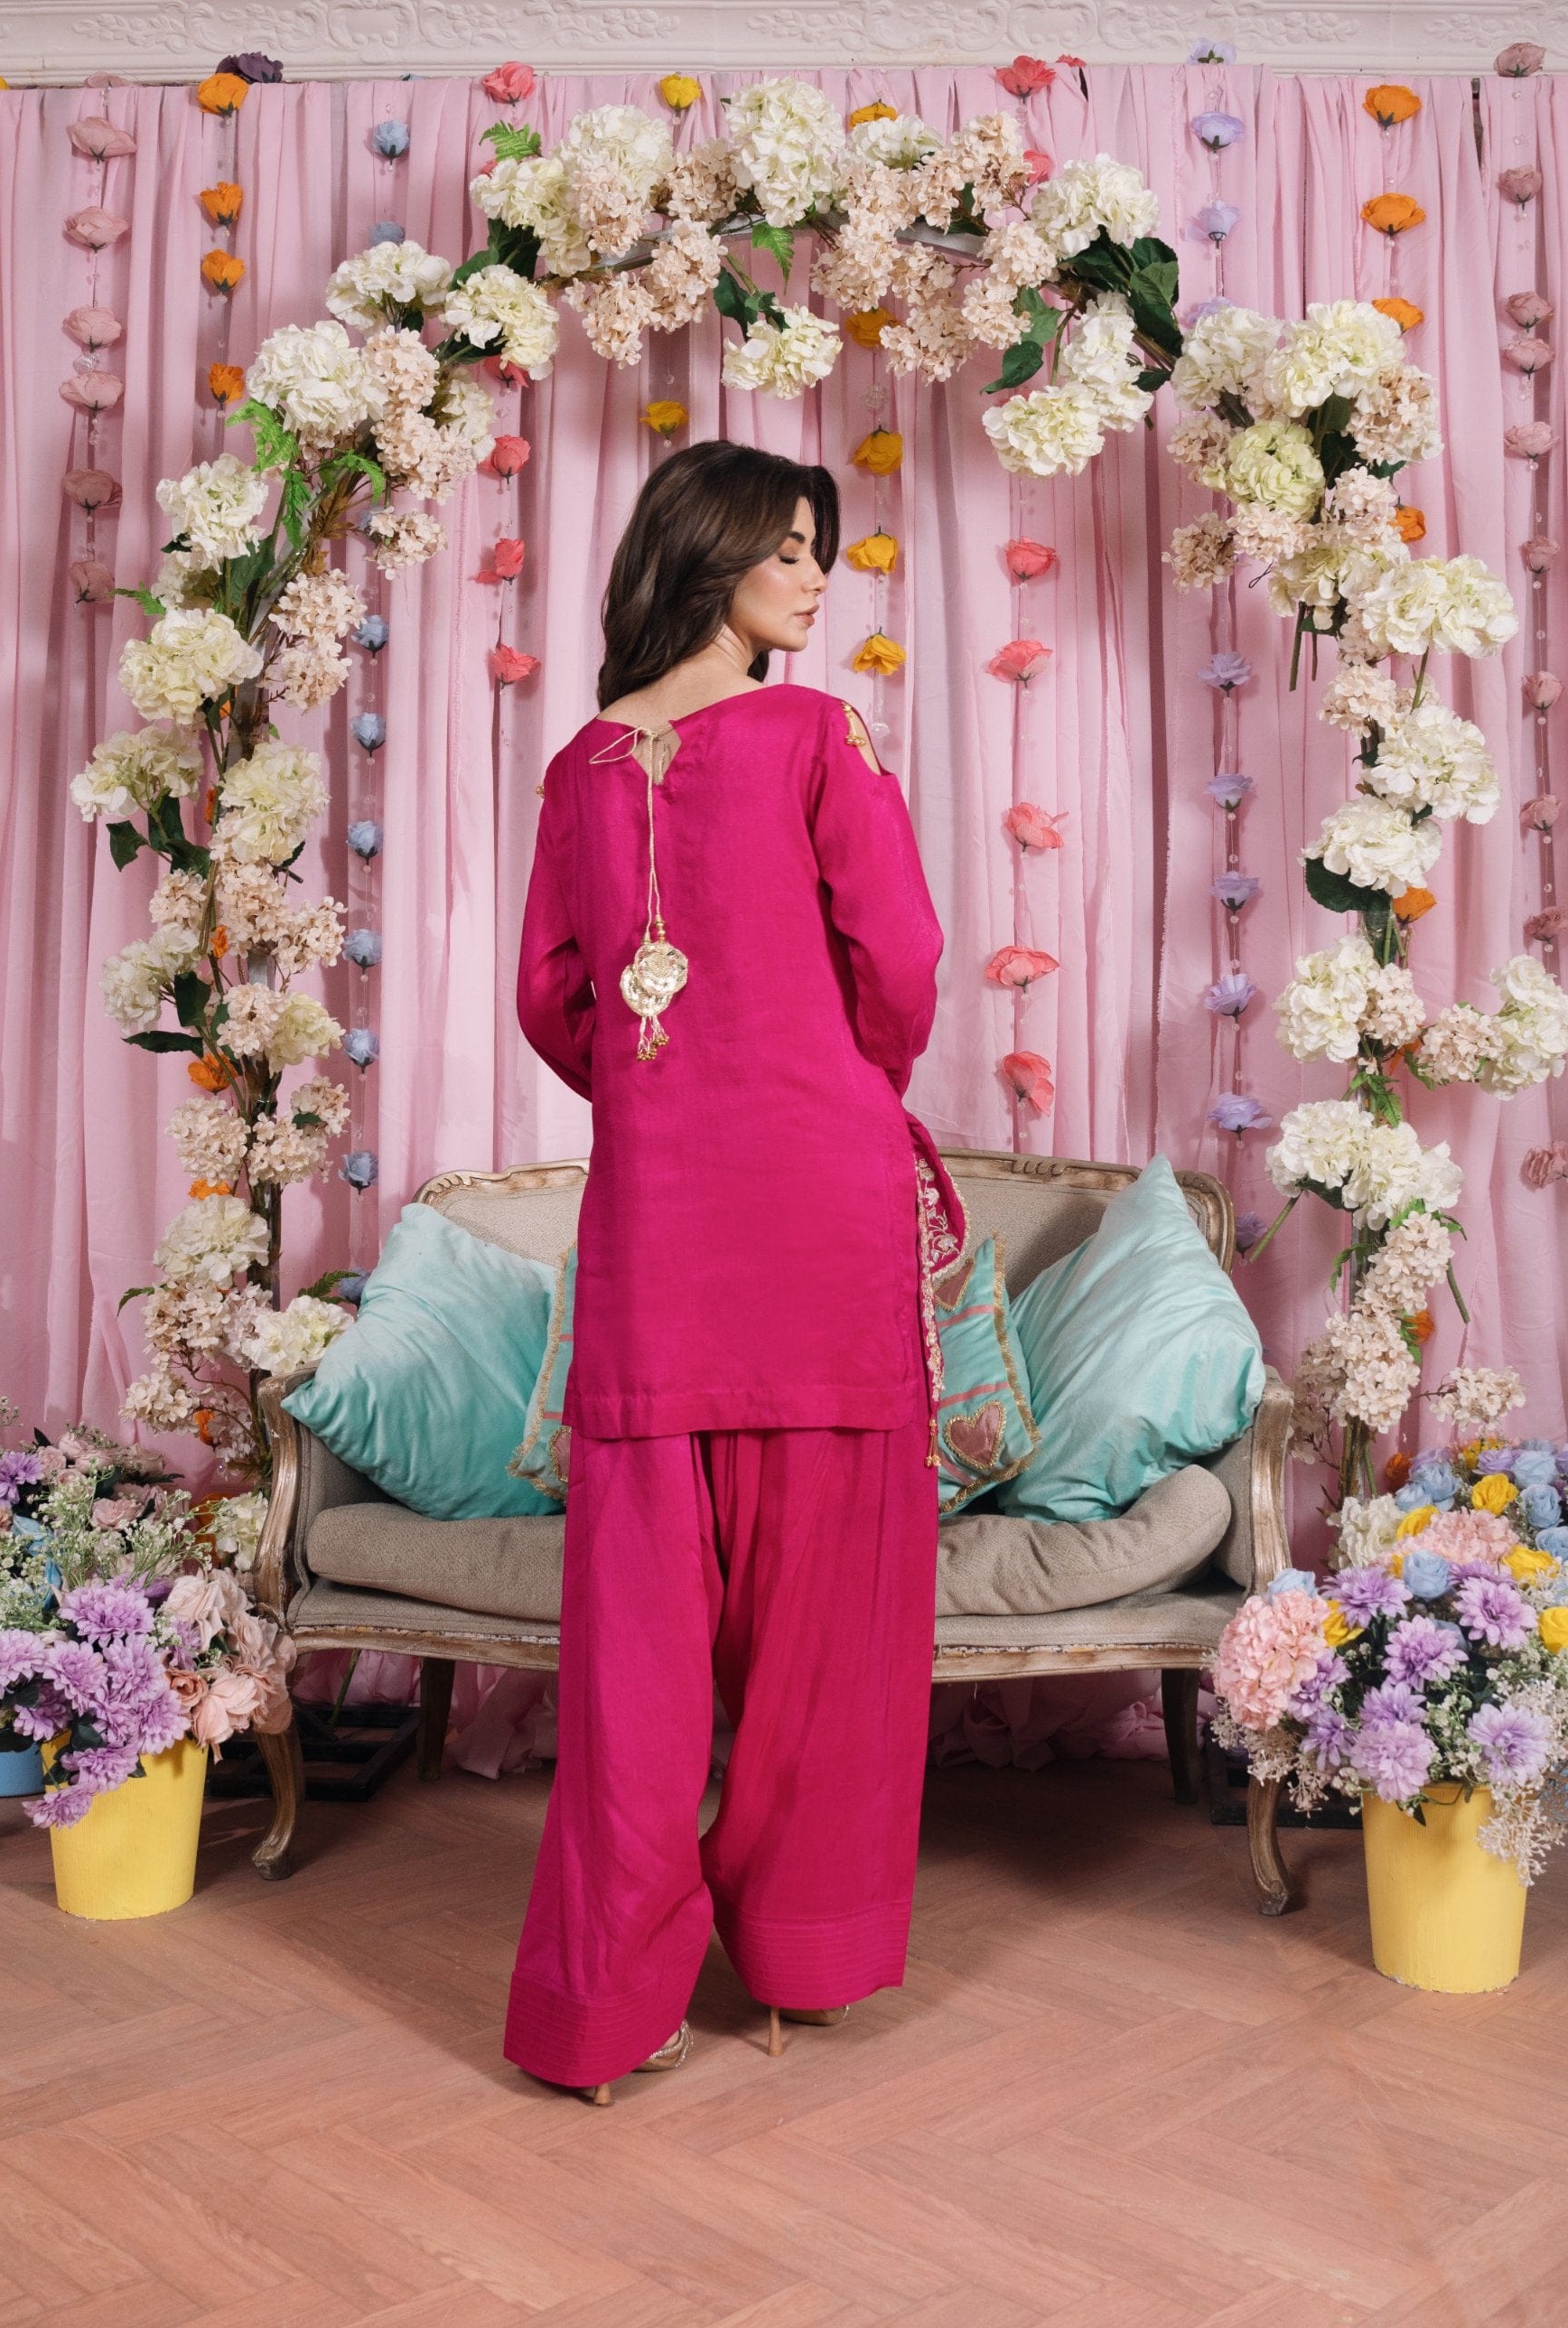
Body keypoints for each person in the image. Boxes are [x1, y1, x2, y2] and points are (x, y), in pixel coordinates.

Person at [504, 437, 966, 2105]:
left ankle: (608, 2007)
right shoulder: (816, 736)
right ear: (706, 559)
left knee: (635, 1633)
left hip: (657, 1218)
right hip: (821, 1207)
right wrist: (833, 1079)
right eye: (785, 549)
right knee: (824, 1613)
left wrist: (665, 1087)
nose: (814, 578)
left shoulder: (578, 766)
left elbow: (552, 997)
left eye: (817, 550)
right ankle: (796, 1959)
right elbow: (900, 964)